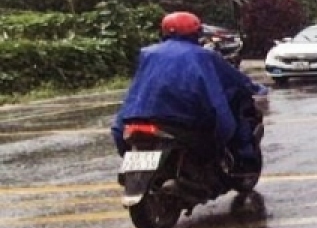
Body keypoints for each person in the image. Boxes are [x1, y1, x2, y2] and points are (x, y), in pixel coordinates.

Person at [112, 12, 265, 171]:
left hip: (137, 117)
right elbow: (234, 79)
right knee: (226, 124)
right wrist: (256, 88)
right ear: (196, 32)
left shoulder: (147, 53)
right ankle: (240, 160)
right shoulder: (203, 55)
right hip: (181, 119)